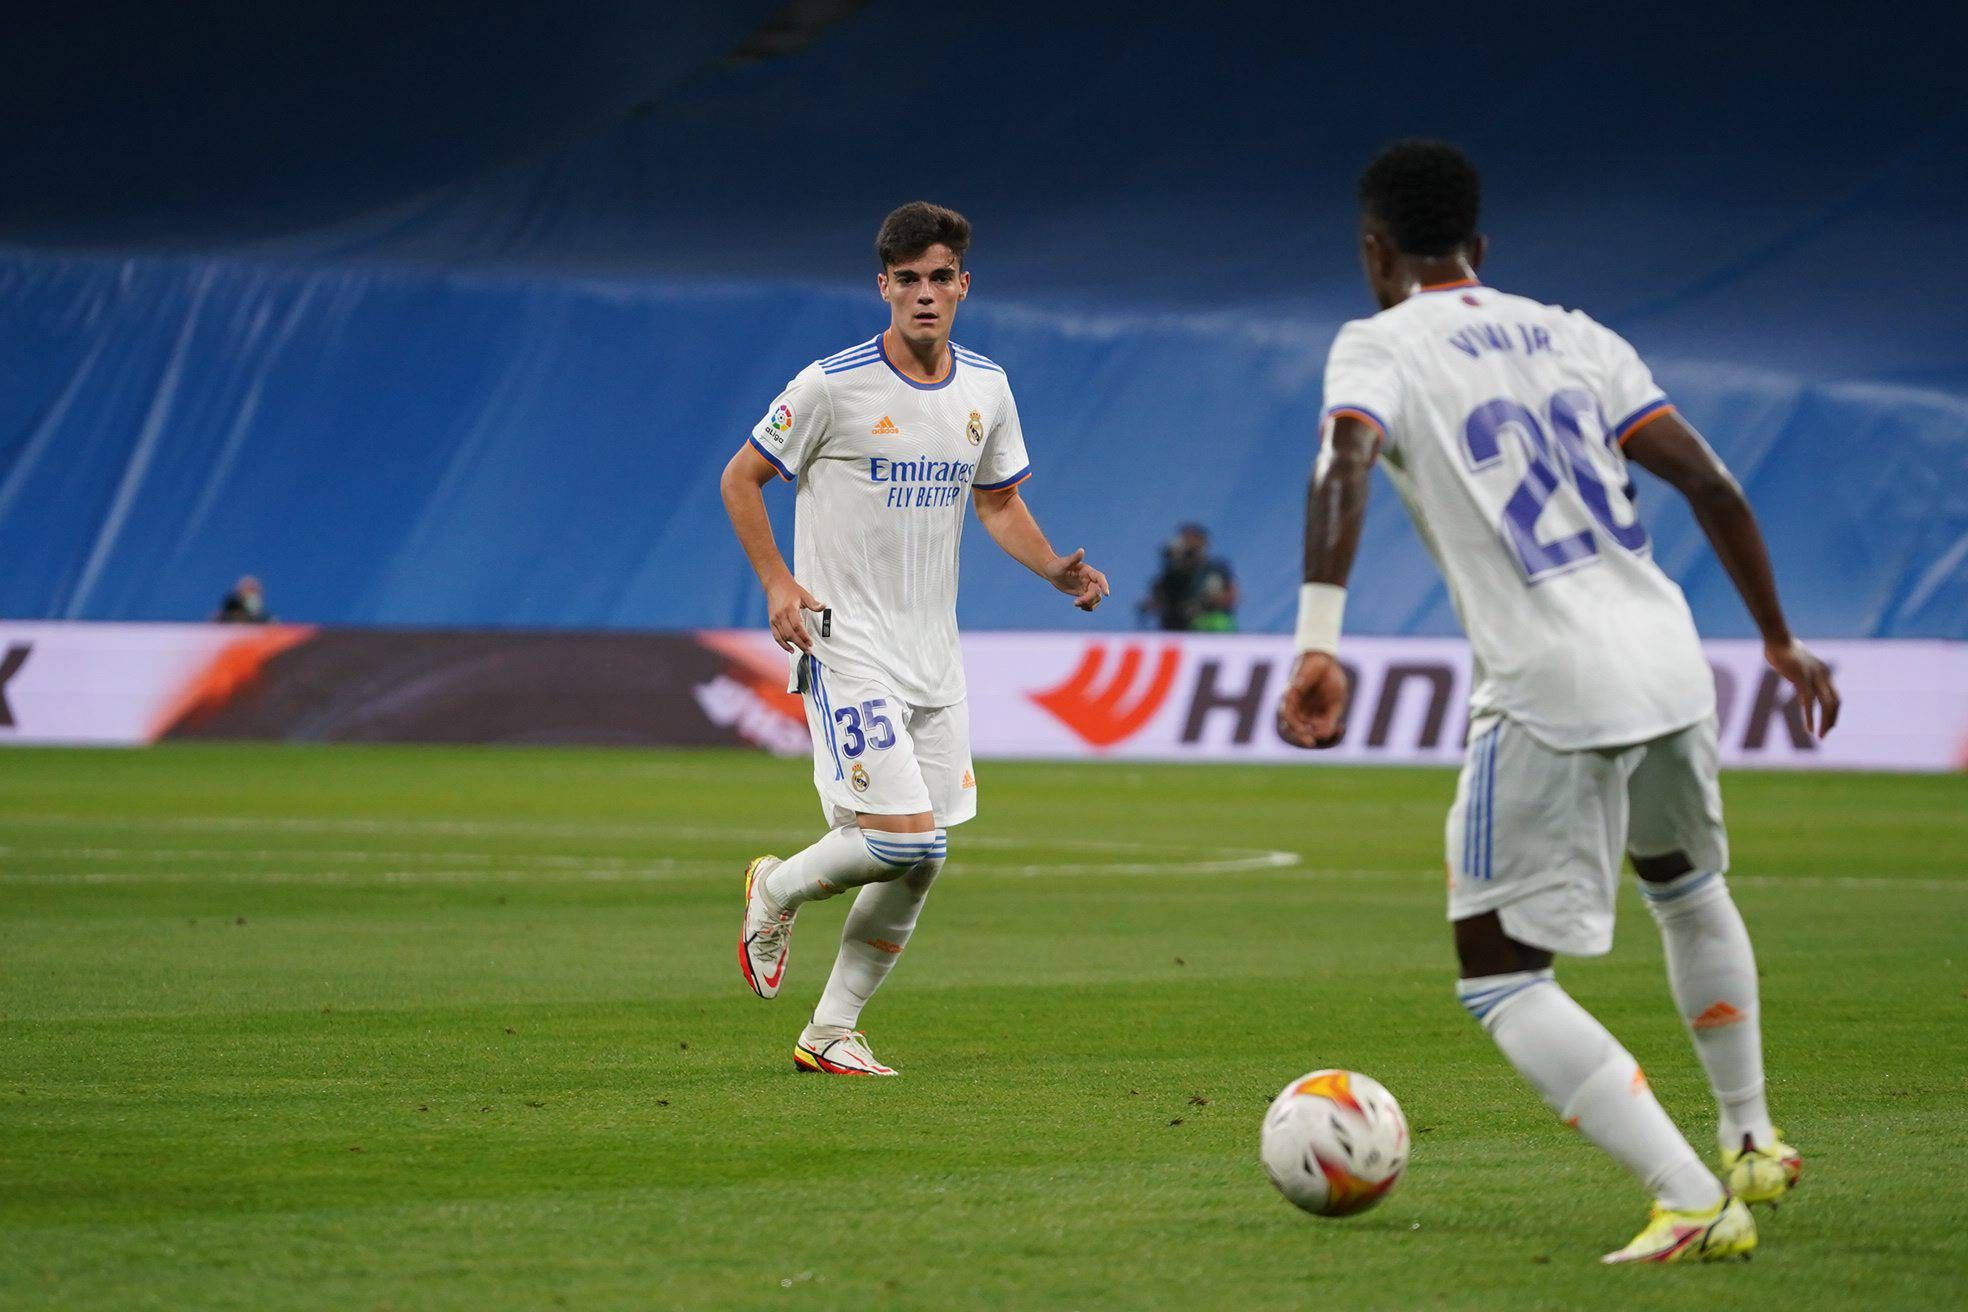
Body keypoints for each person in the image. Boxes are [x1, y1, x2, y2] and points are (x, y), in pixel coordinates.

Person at [1277, 141, 1840, 1263]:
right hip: (1672, 659)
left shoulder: (1379, 343)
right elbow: (1713, 483)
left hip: (1550, 682)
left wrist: (1318, 643)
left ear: (1374, 251)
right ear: (1481, 249)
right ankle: (1751, 1138)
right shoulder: (1578, 333)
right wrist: (1776, 636)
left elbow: (1347, 458)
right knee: (1688, 888)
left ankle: (1689, 1195)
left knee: (1499, 975)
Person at [720, 201, 1110, 1076]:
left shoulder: (987, 389)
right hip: (843, 642)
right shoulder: (830, 385)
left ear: (964, 286)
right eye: (908, 280)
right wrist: (779, 583)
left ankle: (830, 1033)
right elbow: (741, 478)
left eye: (941, 278)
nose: (925, 295)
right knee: (900, 839)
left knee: (923, 859)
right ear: (884, 288)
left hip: (935, 654)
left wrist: (1052, 568)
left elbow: (998, 500)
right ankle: (774, 887)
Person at [1141, 523, 1238, 631]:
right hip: (1177, 627)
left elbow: (1232, 596)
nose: (1188, 543)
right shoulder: (1170, 575)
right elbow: (1157, 601)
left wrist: (1203, 603)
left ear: (1203, 543)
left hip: (1211, 623)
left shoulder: (1216, 569)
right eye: (1184, 538)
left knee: (1219, 623)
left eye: (1193, 539)